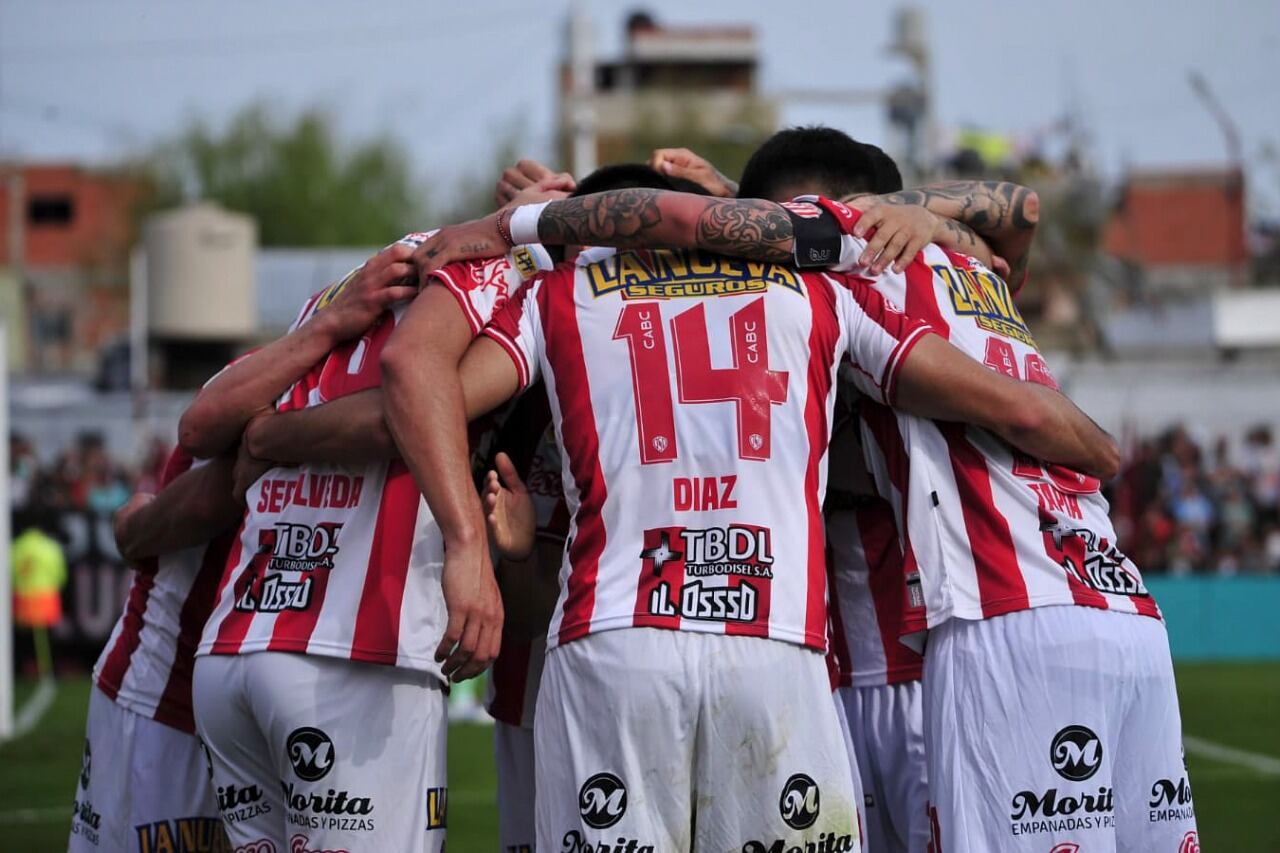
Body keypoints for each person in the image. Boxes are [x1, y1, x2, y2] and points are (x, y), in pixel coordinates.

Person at [455, 141, 1193, 851]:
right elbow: (1021, 212)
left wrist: (529, 230)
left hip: (937, 630)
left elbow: (440, 381)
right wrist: (931, 214)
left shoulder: (834, 277)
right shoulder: (959, 270)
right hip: (1011, 614)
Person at [69, 248, 414, 853]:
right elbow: (202, 480)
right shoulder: (263, 377)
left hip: (252, 697)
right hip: (162, 694)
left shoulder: (351, 385)